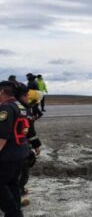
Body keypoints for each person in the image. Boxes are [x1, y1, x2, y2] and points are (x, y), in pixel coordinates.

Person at [0, 81, 30, 217]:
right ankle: (16, 211)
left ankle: (13, 213)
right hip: (20, 152)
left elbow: (2, 136)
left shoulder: (5, 108)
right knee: (12, 184)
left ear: (1, 91)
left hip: (8, 154)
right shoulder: (20, 106)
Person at [14, 83, 42, 206]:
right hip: (17, 147)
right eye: (26, 96)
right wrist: (36, 145)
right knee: (21, 172)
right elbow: (29, 130)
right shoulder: (23, 110)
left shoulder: (11, 106)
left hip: (13, 146)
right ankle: (16, 198)